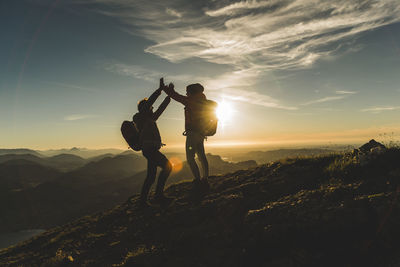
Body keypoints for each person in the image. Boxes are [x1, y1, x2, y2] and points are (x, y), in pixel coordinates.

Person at [163, 82, 210, 191]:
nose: (186, 93)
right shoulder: (204, 102)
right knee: (202, 156)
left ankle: (197, 179)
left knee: (190, 158)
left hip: (192, 134)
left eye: (187, 92)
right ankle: (205, 178)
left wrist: (166, 88)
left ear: (191, 92)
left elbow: (176, 97)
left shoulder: (191, 101)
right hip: (201, 134)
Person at [133, 78, 173, 206]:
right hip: (149, 150)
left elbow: (160, 109)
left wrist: (169, 96)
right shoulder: (140, 117)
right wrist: (160, 90)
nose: (152, 108)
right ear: (145, 108)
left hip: (151, 150)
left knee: (151, 177)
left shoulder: (150, 118)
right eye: (150, 106)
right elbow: (150, 102)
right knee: (168, 167)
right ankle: (158, 196)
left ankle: (143, 201)